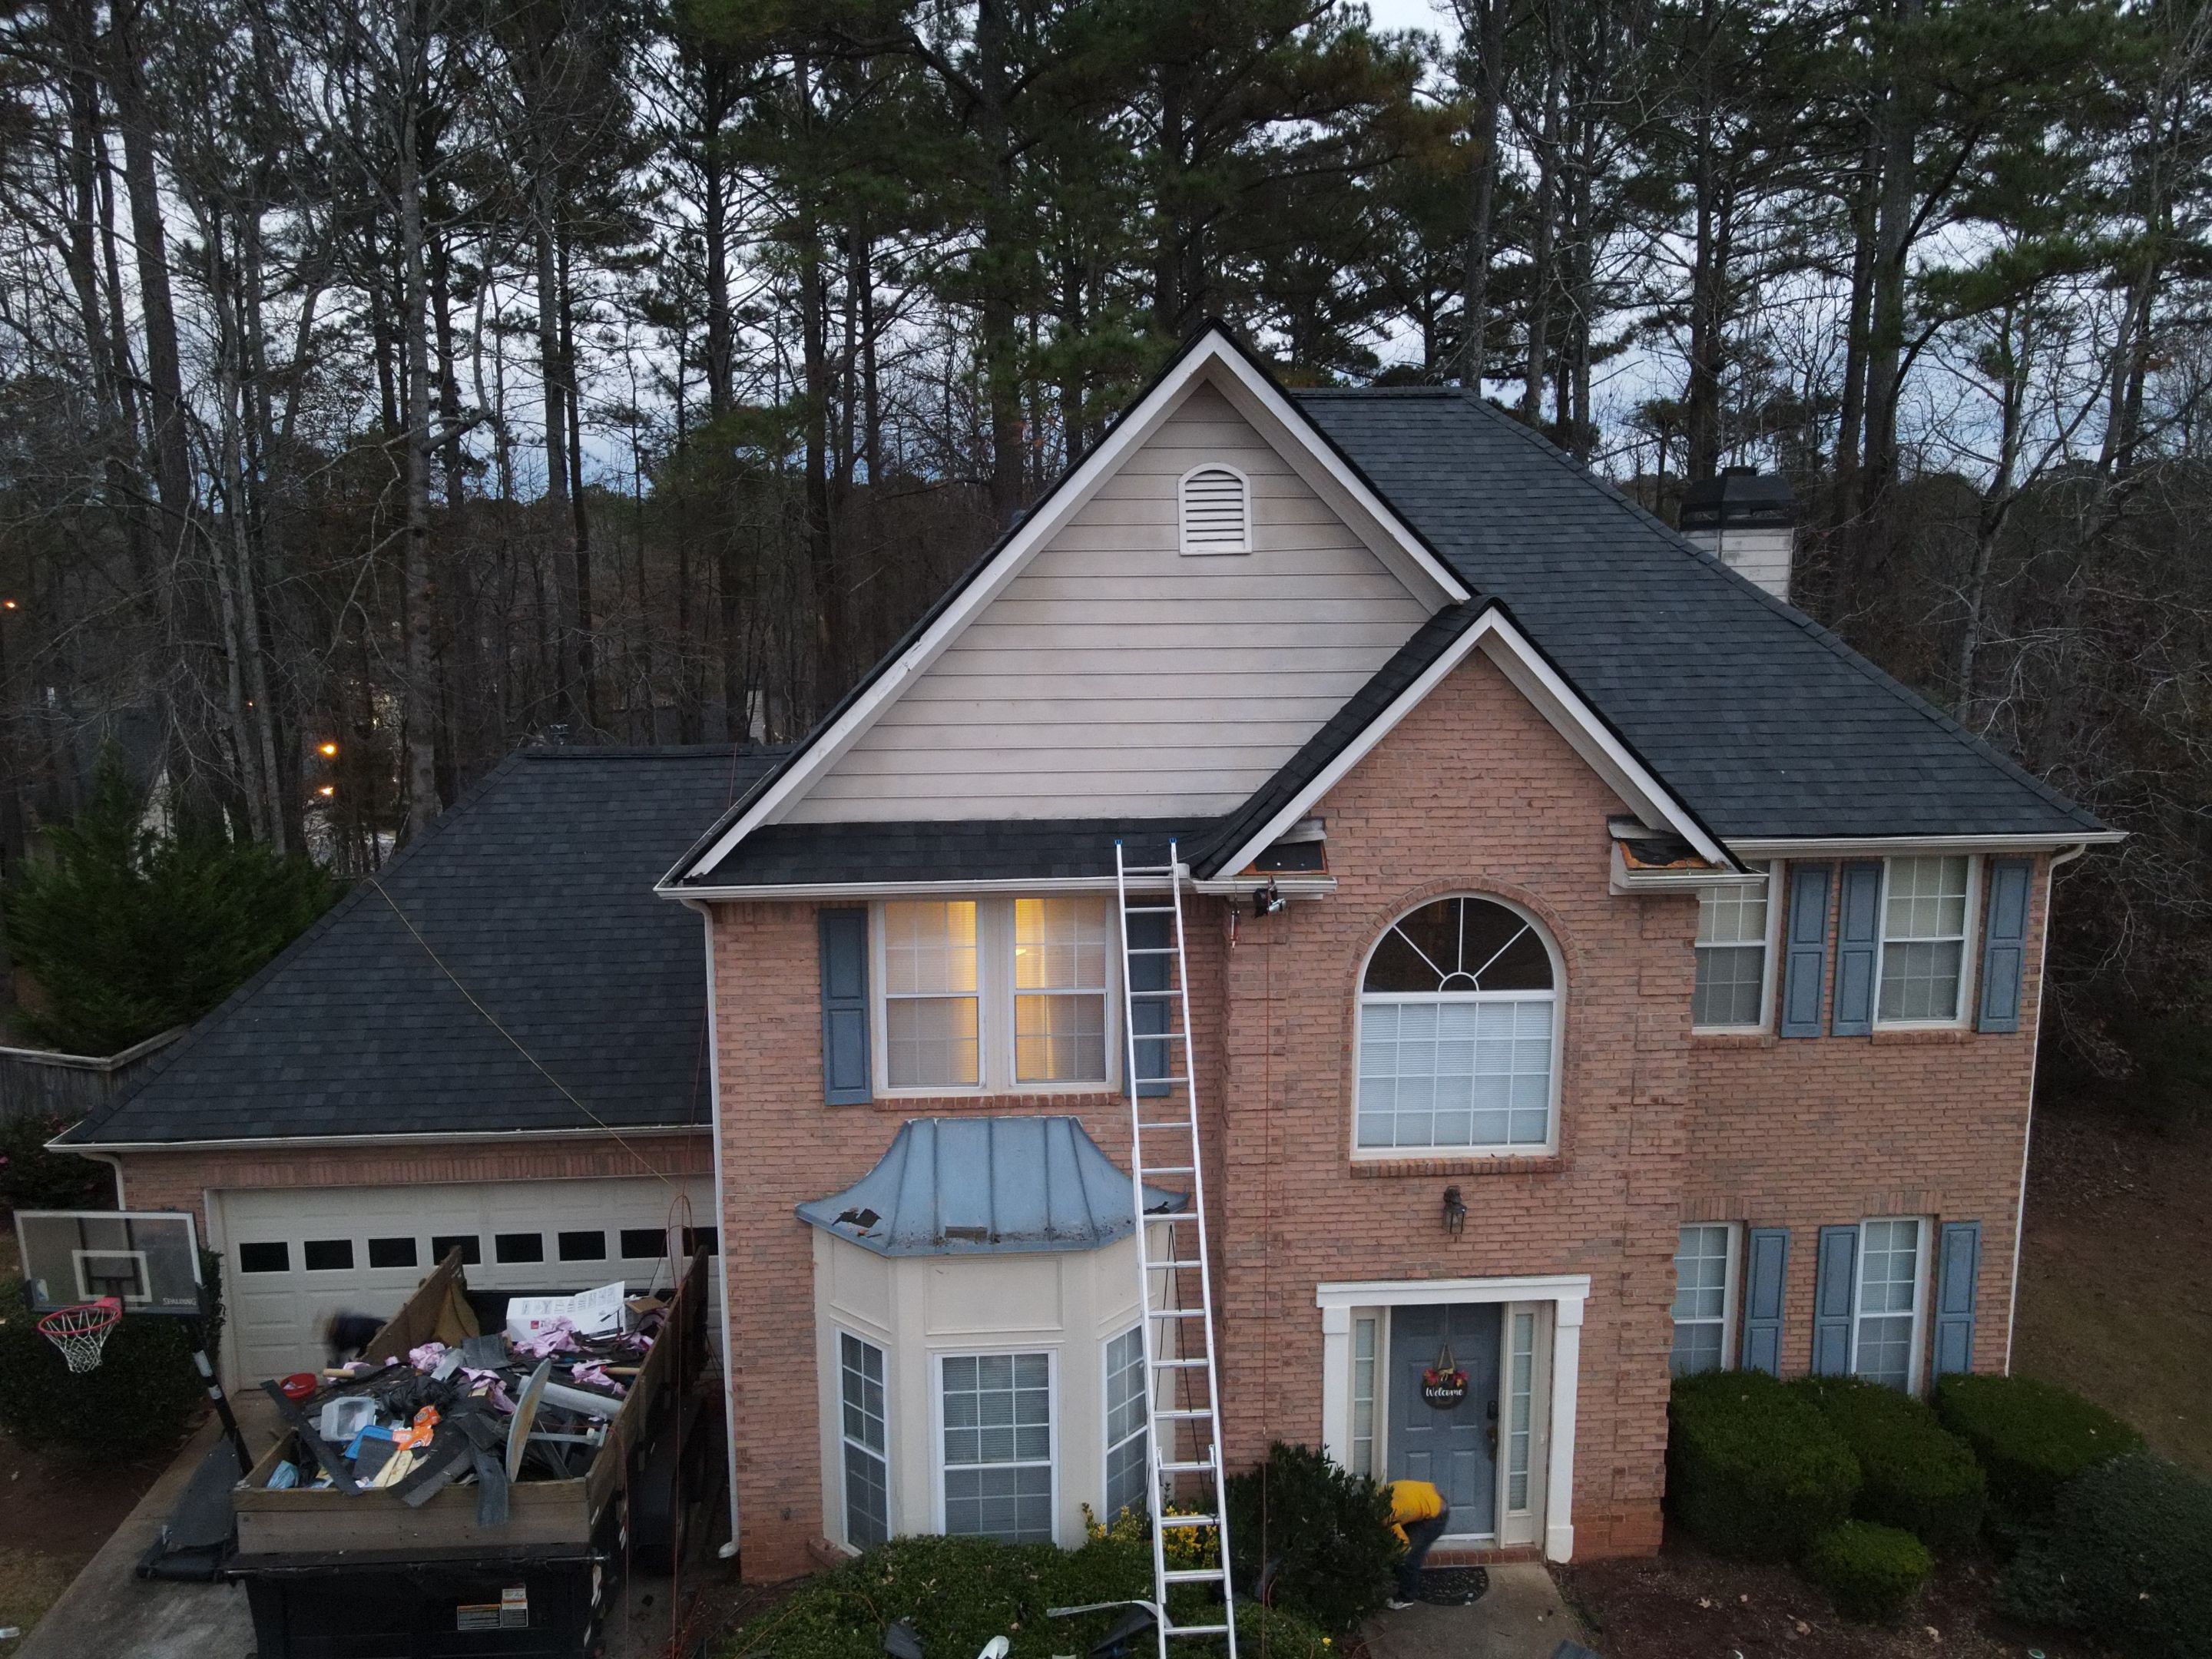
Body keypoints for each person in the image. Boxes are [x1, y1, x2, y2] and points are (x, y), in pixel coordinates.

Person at [1384, 1478, 1450, 1609]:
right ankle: (1400, 1578)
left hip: (1435, 1514)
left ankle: (1406, 1597)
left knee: (1409, 1557)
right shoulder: (1375, 1498)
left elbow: (1402, 1545)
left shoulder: (1385, 1517)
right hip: (1429, 1494)